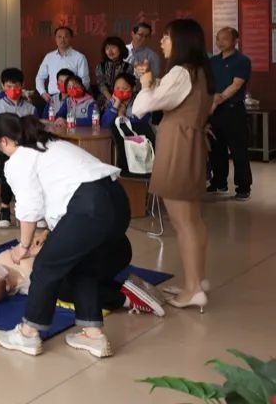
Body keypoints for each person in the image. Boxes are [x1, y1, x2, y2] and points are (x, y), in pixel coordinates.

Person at [0, 114, 130, 359]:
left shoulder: (19, 159)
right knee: (80, 264)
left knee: (45, 266)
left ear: (3, 141)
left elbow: (29, 206)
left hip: (89, 206)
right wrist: (47, 233)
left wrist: (23, 246)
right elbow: (65, 191)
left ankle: (28, 334)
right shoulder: (51, 144)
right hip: (118, 202)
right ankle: (93, 335)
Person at [133, 18, 215, 311]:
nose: (162, 41)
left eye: (167, 37)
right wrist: (153, 82)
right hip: (190, 142)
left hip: (177, 144)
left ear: (181, 41)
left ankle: (193, 289)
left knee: (183, 222)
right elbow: (172, 97)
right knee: (193, 219)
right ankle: (197, 281)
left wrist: (146, 85)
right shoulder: (199, 70)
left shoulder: (180, 72)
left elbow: (141, 107)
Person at [0, 229, 164, 317]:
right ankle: (126, 294)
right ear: (8, 287)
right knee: (65, 286)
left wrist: (43, 236)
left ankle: (126, 297)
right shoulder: (29, 282)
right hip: (107, 247)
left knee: (68, 287)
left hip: (109, 244)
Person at [0, 68, 38, 228]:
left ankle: (35, 209)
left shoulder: (30, 108)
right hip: (4, 150)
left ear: (22, 86)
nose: (13, 90)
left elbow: (35, 131)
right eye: (9, 86)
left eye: (16, 86)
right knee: (9, 165)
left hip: (26, 149)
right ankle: (5, 208)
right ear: (3, 86)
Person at [207, 27, 252, 200]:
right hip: (215, 111)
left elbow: (236, 85)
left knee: (238, 150)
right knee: (216, 149)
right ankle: (219, 182)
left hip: (233, 110)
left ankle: (243, 187)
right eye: (218, 39)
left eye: (225, 39)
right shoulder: (213, 61)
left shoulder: (242, 60)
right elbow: (208, 83)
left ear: (235, 41)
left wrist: (219, 99)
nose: (220, 42)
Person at [35, 26, 90, 101]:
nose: (62, 39)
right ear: (55, 39)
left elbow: (84, 80)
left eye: (66, 36)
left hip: (73, 97)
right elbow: (40, 77)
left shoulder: (79, 57)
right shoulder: (49, 57)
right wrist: (43, 93)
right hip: (53, 97)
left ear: (71, 38)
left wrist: (77, 95)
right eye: (59, 37)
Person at [92, 36, 132, 108]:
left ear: (120, 48)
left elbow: (128, 86)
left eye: (113, 47)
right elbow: (101, 84)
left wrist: (118, 100)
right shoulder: (101, 66)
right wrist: (110, 98)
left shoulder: (128, 67)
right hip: (104, 97)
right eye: (107, 48)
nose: (110, 51)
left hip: (123, 98)